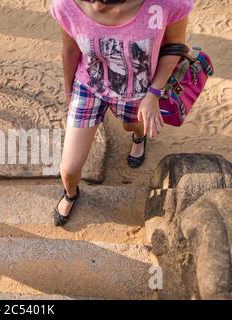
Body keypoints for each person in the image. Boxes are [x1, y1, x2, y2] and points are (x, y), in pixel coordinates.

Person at [50, 0, 194, 226]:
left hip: (139, 90)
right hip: (89, 86)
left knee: (132, 126)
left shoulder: (169, 3)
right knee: (68, 169)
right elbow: (69, 49)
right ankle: (71, 194)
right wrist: (70, 92)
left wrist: (153, 94)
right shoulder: (65, 5)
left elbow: (175, 46)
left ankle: (138, 138)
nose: (97, 8)